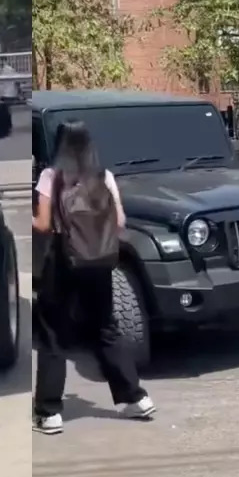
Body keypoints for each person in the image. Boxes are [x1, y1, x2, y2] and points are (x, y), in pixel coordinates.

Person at [31, 120, 155, 435]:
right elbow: (120, 220)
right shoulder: (105, 176)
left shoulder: (51, 176)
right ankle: (135, 399)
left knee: (53, 335)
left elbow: (44, 225)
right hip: (99, 261)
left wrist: (32, 220)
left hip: (63, 261)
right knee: (105, 327)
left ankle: (49, 413)